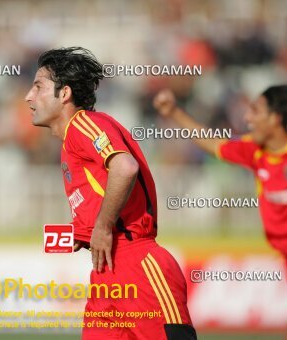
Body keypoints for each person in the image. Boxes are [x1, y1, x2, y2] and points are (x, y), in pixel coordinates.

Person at [25, 47, 197, 340]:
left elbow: (125, 167)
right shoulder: (70, 142)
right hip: (106, 272)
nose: (28, 96)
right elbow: (97, 204)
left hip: (138, 264)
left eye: (38, 86)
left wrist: (103, 227)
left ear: (64, 93)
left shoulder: (83, 123)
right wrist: (77, 234)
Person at [153, 85, 287, 340]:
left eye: (255, 111)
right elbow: (214, 143)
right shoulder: (257, 151)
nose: (247, 118)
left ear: (276, 118)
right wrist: (173, 112)